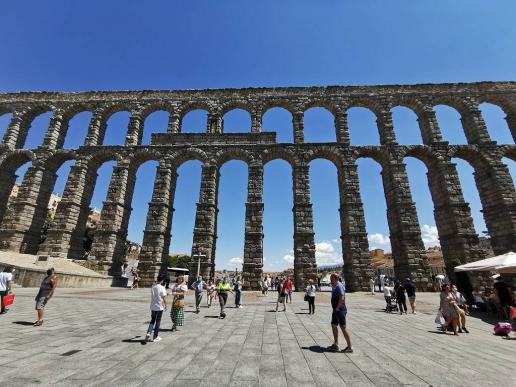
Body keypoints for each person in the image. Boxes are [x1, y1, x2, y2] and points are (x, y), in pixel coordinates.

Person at [327, 273, 352, 353]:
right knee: (334, 325)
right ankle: (336, 344)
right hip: (336, 310)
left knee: (343, 327)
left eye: (331, 278)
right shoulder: (334, 285)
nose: (330, 279)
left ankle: (349, 347)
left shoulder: (339, 286)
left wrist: (337, 307)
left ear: (334, 278)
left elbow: (342, 297)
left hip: (340, 310)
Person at [145, 274, 168, 343]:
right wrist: (166, 305)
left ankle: (149, 332)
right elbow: (164, 298)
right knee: (158, 321)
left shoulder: (153, 286)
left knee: (152, 320)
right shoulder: (162, 287)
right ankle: (155, 336)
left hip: (153, 306)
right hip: (159, 306)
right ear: (162, 280)